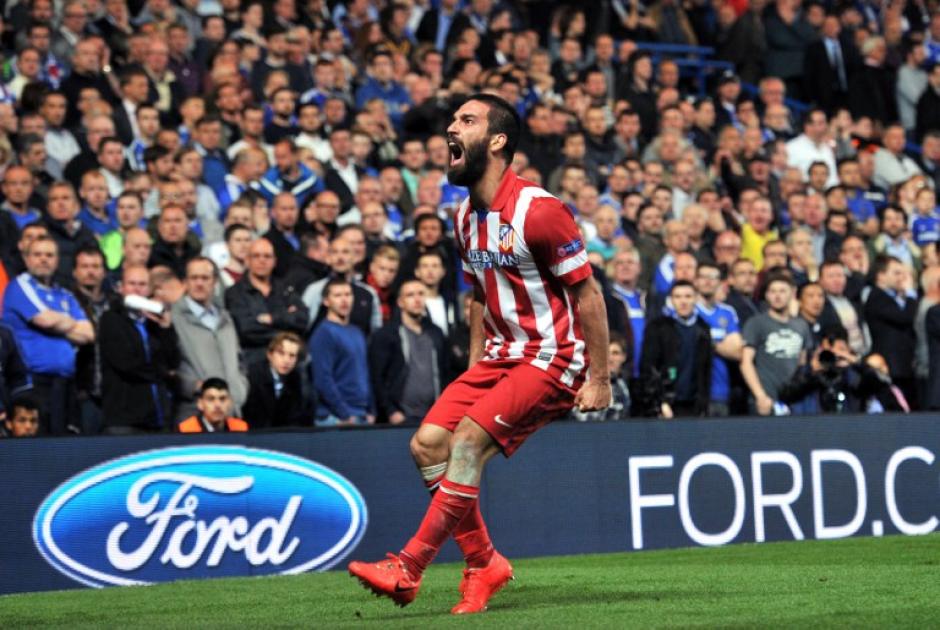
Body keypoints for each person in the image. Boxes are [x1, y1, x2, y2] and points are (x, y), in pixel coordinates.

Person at [348, 94, 610, 615]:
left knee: (467, 441)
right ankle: (485, 563)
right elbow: (477, 297)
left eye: (466, 120)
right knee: (427, 445)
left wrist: (598, 377)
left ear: (497, 141)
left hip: (552, 356)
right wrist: (476, 367)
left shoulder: (541, 212)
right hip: (498, 356)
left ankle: (409, 567)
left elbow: (590, 295)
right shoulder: (464, 216)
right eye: (452, 119)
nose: (451, 127)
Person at [1, 236, 94, 434]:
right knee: (39, 444)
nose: (44, 259)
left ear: (57, 260)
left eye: (49, 255)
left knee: (67, 441)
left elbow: (88, 334)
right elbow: (45, 320)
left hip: (65, 383)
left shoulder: (65, 294)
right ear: (26, 259)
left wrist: (57, 323)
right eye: (38, 254)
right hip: (33, 382)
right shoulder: (19, 286)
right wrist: (70, 323)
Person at [99, 265, 179, 434]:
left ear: (149, 290)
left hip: (158, 416)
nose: (137, 289)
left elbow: (173, 360)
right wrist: (162, 373)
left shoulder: (154, 323)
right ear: (121, 288)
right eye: (132, 284)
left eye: (142, 284)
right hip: (125, 418)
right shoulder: (111, 320)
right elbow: (127, 364)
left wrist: (166, 328)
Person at [172, 257, 248, 421]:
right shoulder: (173, 318)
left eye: (205, 278)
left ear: (215, 282)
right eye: (194, 278)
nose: (199, 283)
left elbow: (240, 361)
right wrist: (193, 387)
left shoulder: (226, 318)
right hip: (193, 414)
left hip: (231, 412)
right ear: (185, 282)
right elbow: (168, 367)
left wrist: (240, 388)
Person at [369, 279, 449, 425]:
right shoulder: (386, 334)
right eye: (410, 295)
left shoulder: (436, 333)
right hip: (400, 418)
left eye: (421, 294)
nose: (417, 299)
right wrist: (390, 411)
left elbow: (445, 373)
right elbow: (377, 377)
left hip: (434, 417)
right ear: (400, 302)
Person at [225, 238, 309, 365]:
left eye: (267, 256)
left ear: (274, 261)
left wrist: (273, 319)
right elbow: (247, 330)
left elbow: (302, 319)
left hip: (291, 364)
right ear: (247, 260)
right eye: (256, 256)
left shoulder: (285, 289)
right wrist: (287, 331)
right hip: (255, 363)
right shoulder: (235, 293)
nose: (262, 260)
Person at [740, 272, 812, 415]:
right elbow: (745, 362)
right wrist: (760, 396)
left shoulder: (801, 325)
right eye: (772, 291)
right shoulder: (756, 323)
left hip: (793, 400)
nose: (777, 296)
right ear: (766, 295)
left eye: (782, 291)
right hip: (765, 400)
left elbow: (802, 363)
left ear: (792, 293)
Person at [638, 280, 713, 418]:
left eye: (688, 296)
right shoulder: (658, 328)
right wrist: (660, 402)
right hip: (667, 406)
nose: (683, 301)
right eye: (677, 297)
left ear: (696, 298)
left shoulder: (703, 329)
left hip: (695, 406)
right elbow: (648, 368)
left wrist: (703, 404)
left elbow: (706, 371)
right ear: (671, 300)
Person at [310, 277, 374, 427]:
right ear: (326, 301)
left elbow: (364, 371)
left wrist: (371, 409)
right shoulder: (324, 333)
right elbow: (322, 379)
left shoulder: (357, 332)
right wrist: (345, 414)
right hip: (337, 417)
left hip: (361, 414)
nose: (344, 300)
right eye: (338, 295)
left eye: (348, 294)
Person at [864, 255, 919, 408]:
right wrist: (910, 293)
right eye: (896, 273)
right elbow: (905, 318)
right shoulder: (877, 298)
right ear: (881, 276)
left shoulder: (894, 298)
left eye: (903, 273)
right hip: (891, 368)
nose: (902, 278)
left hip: (903, 367)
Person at [694, 262, 744, 417]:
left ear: (720, 282)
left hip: (721, 391)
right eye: (703, 277)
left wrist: (708, 344)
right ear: (695, 281)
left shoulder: (727, 312)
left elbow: (737, 352)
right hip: (694, 391)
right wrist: (722, 344)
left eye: (713, 277)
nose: (708, 281)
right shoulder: (688, 310)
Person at [242, 331, 310, 429]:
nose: (286, 360)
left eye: (292, 355)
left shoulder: (296, 378)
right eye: (281, 353)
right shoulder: (253, 375)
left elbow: (294, 417)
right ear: (269, 354)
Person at [178, 378, 249, 433]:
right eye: (211, 399)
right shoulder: (185, 430)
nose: (218, 405)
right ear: (200, 404)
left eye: (222, 399)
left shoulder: (240, 428)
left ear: (230, 402)